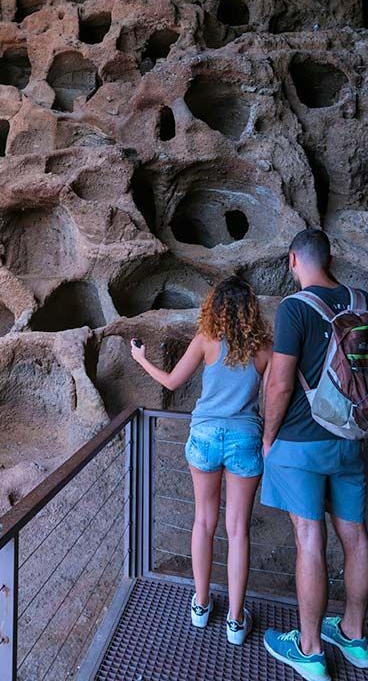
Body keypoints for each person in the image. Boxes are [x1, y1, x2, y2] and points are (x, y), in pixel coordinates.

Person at [131, 276, 272, 646]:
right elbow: (273, 401)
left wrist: (141, 358)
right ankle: (236, 621)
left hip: (206, 437)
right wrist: (269, 438)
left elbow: (173, 382)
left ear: (216, 308)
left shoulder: (206, 341)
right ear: (250, 312)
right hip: (245, 439)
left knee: (203, 522)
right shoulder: (264, 349)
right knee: (238, 530)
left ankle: (201, 604)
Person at [262, 228, 368, 681]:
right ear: (329, 258)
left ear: (293, 260)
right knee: (355, 536)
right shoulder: (362, 299)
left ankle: (309, 649)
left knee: (309, 539)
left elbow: (280, 383)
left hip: (301, 442)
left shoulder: (294, 309)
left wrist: (269, 436)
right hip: (350, 437)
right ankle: (354, 635)